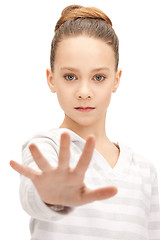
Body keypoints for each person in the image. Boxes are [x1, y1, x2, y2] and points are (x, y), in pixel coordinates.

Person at [10, 4, 160, 240]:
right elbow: (33, 196)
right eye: (70, 76)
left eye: (98, 77)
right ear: (51, 79)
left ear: (116, 80)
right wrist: (50, 195)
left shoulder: (144, 171)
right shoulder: (45, 148)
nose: (84, 91)